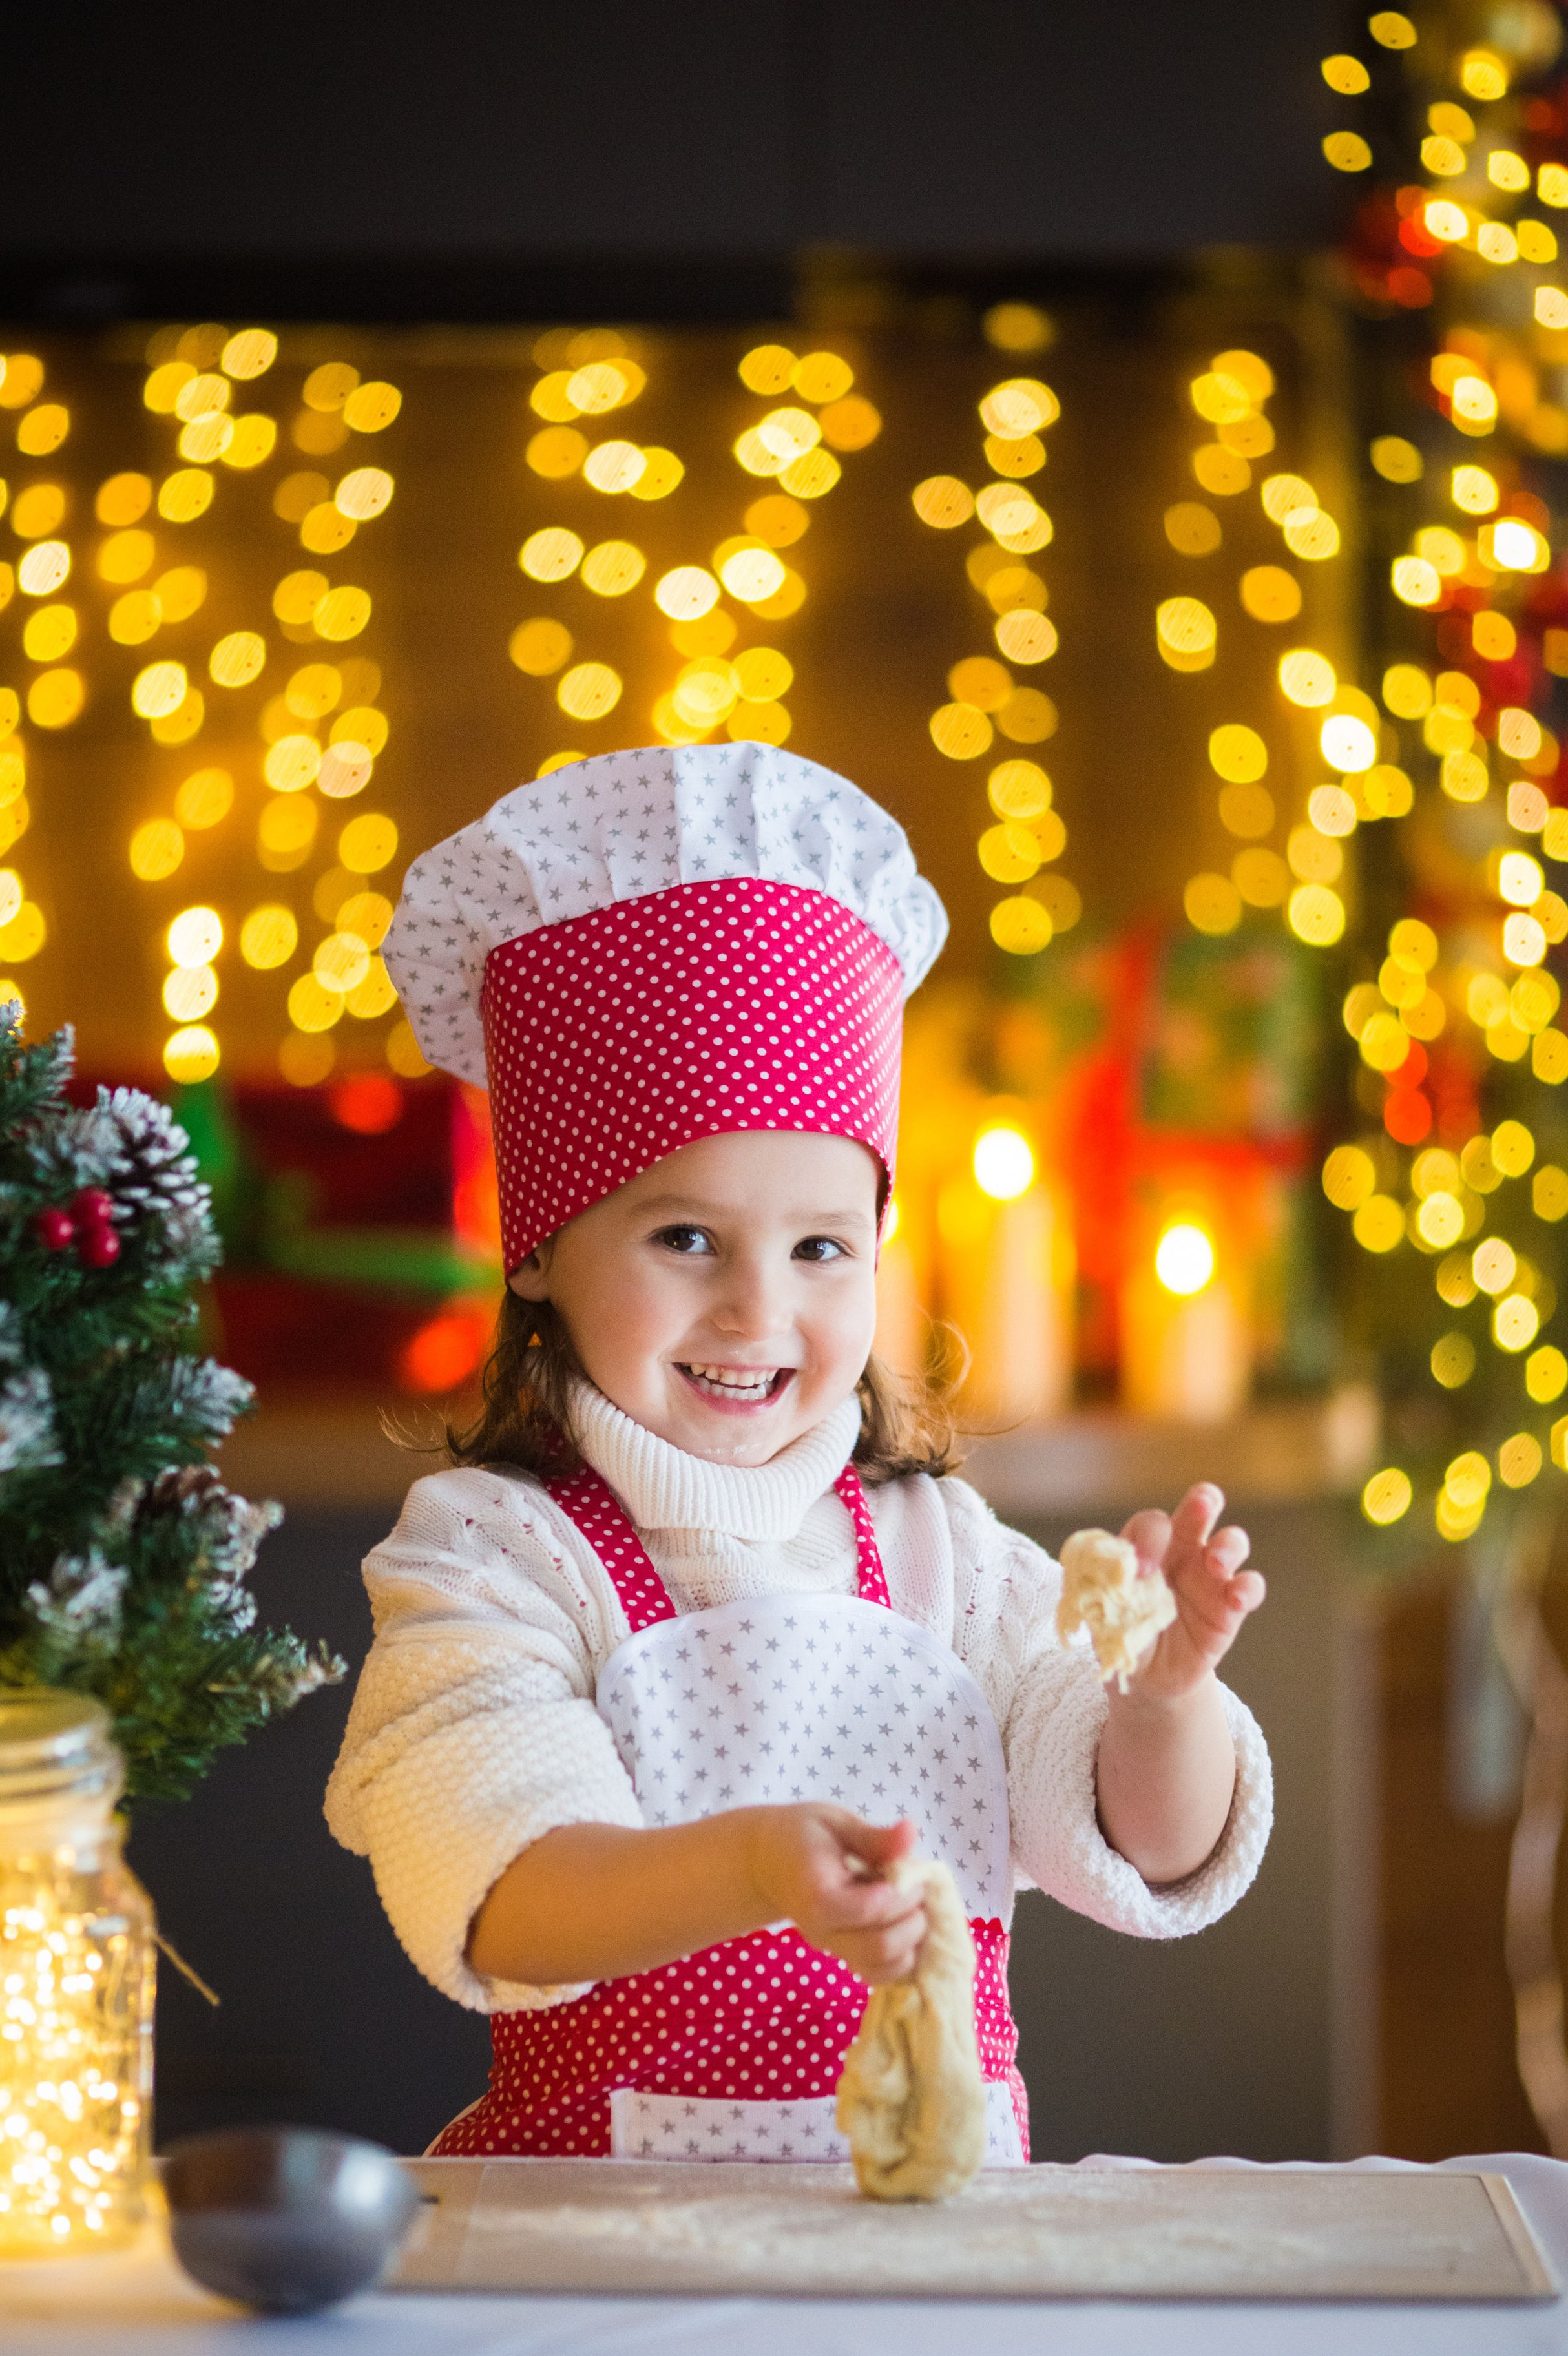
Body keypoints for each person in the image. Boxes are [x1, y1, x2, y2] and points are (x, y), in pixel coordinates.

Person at [325, 744, 1272, 2163]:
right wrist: (759, 1865)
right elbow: (504, 1891)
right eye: (684, 1236)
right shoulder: (492, 1555)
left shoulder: (947, 1559)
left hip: (925, 2251)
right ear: (538, 1250)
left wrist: (1161, 1698)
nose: (757, 1311)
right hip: (594, 2249)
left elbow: (1145, 1846)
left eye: (821, 1247)